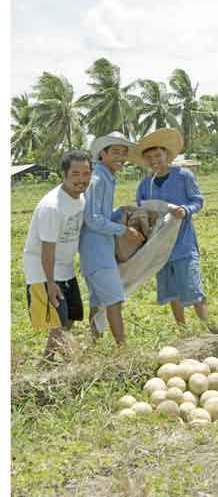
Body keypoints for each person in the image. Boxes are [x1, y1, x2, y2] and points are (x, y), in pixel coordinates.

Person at [133, 128, 208, 325]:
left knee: (192, 287)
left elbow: (197, 201)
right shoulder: (144, 186)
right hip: (159, 247)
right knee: (170, 289)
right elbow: (140, 213)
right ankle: (182, 327)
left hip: (183, 244)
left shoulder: (184, 176)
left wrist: (185, 210)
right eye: (149, 157)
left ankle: (206, 325)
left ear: (167, 154)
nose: (154, 160)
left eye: (158, 155)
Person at [23, 151, 92, 361]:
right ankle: (72, 364)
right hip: (43, 269)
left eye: (86, 173)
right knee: (57, 322)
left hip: (64, 267)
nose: (82, 179)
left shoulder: (81, 197)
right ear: (63, 174)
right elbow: (47, 249)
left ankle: (47, 360)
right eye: (76, 173)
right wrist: (50, 283)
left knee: (70, 317)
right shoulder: (51, 207)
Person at [79, 132, 144, 345]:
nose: (121, 157)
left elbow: (100, 215)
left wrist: (118, 211)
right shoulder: (98, 179)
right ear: (103, 153)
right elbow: (92, 219)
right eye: (116, 152)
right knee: (114, 300)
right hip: (96, 250)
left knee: (98, 301)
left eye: (124, 153)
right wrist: (124, 230)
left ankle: (94, 345)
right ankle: (122, 349)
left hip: (98, 250)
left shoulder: (106, 176)